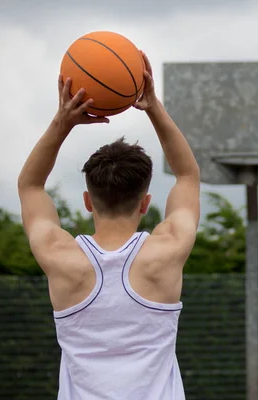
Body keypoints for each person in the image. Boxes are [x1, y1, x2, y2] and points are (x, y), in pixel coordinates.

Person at [17, 51, 199, 400]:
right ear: (146, 204)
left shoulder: (61, 257)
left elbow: (30, 186)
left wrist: (63, 122)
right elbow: (187, 176)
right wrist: (153, 106)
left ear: (88, 201)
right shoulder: (168, 250)